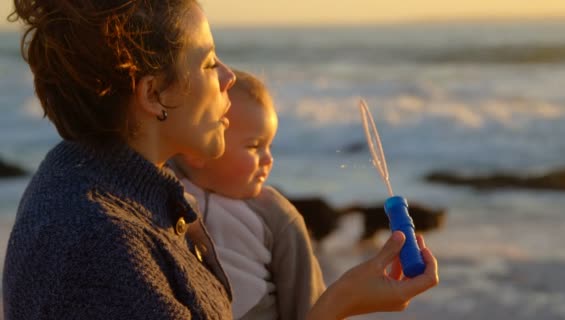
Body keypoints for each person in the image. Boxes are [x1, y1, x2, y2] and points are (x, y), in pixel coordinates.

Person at [2, 0, 439, 319]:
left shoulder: (99, 185)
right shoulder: (99, 242)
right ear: (154, 95)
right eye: (209, 62)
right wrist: (339, 304)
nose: (229, 77)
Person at [170, 69, 325, 320]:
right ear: (196, 148)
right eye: (254, 146)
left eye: (270, 146)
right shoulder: (163, 187)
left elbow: (307, 301)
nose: (268, 159)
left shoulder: (277, 216)